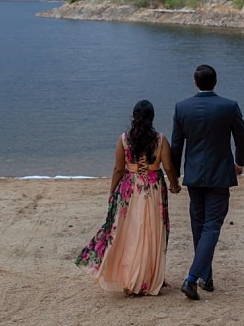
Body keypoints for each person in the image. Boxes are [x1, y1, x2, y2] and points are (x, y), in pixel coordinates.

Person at [75, 100, 181, 296]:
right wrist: (175, 186)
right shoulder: (160, 140)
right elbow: (167, 167)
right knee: (151, 232)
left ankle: (129, 277)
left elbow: (118, 169)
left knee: (130, 233)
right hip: (153, 190)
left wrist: (112, 191)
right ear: (152, 118)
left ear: (134, 117)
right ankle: (148, 278)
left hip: (129, 189)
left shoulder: (124, 139)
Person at [170, 64, 244, 301]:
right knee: (212, 225)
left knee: (199, 224)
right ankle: (193, 278)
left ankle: (207, 277)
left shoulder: (182, 107)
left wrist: (173, 175)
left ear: (195, 83)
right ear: (215, 82)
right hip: (220, 174)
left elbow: (176, 145)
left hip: (194, 175)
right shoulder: (229, 106)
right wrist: (240, 162)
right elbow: (242, 136)